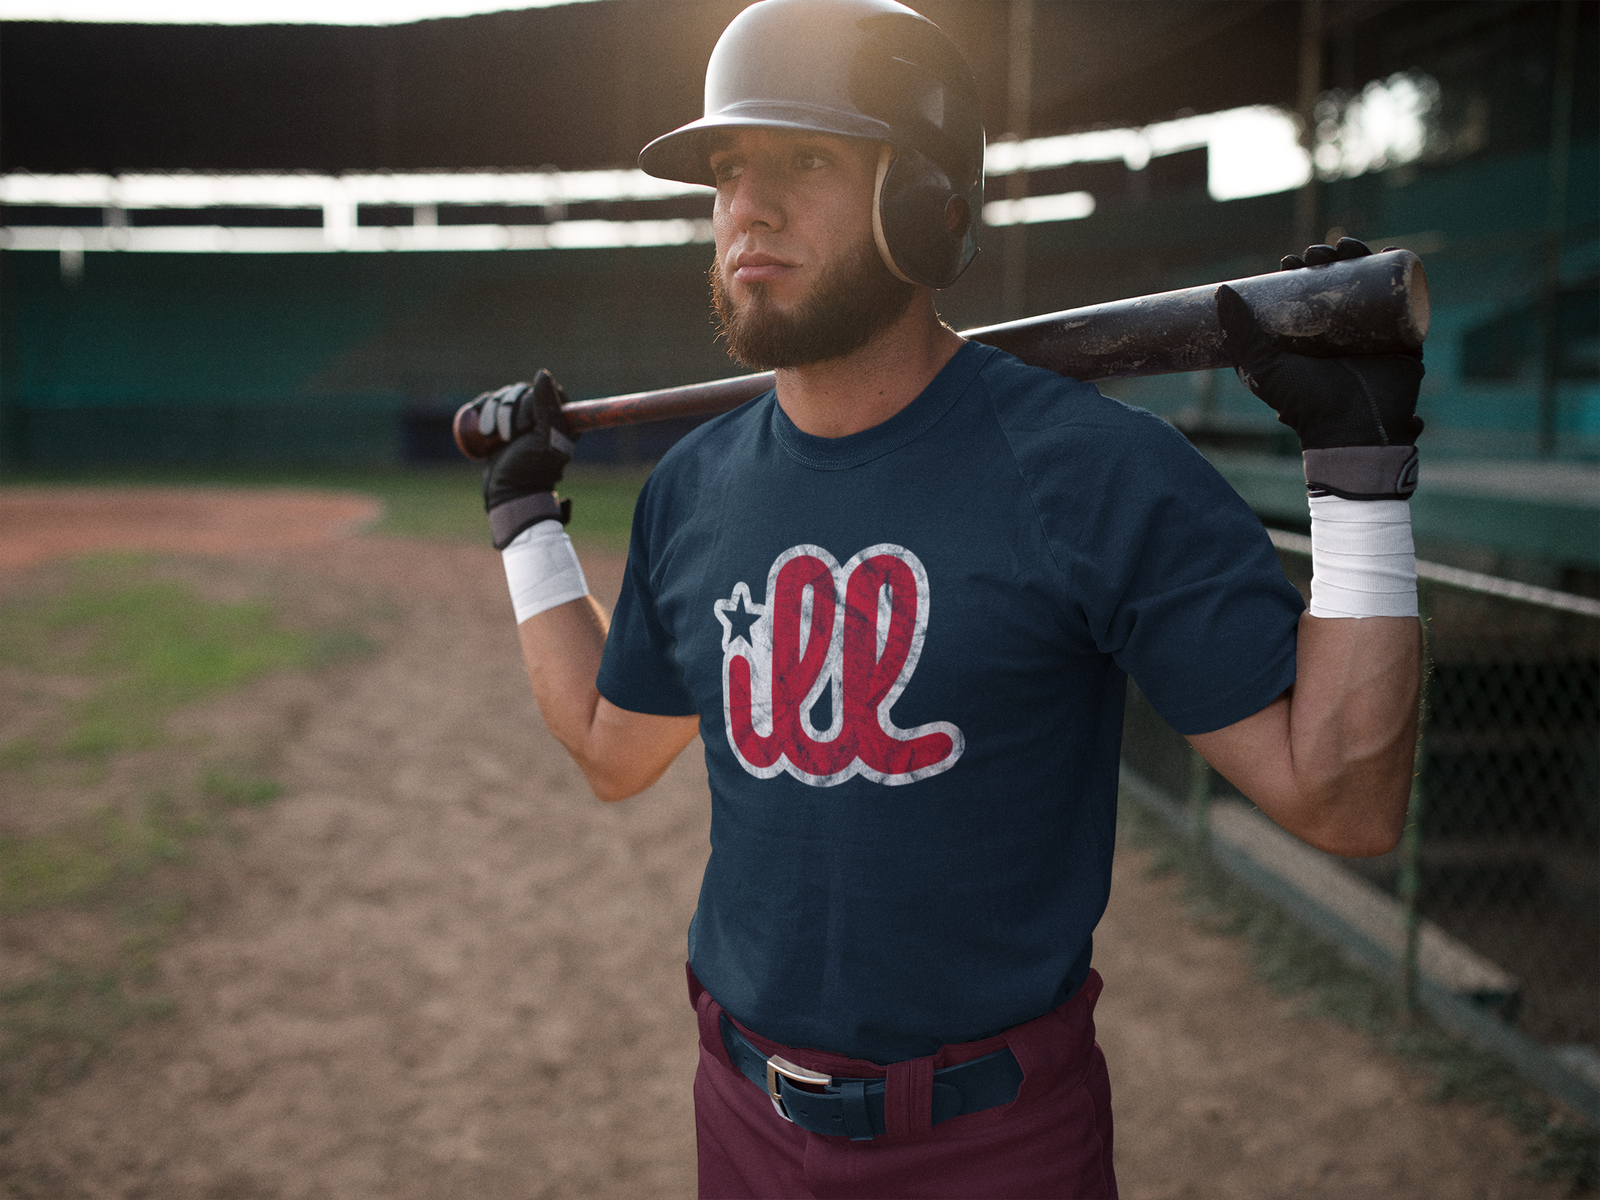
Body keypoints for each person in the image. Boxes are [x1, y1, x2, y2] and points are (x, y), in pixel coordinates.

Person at [470, 1, 1423, 1195]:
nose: (745, 208)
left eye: (804, 162)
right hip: (742, 1119)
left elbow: (1344, 801)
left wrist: (1359, 476)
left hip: (992, 1146)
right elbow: (614, 751)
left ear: (925, 201)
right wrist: (524, 523)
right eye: (727, 172)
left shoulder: (1097, 473)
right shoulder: (692, 489)